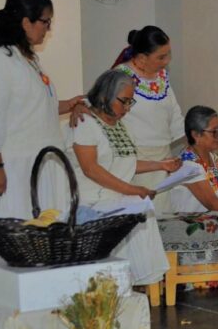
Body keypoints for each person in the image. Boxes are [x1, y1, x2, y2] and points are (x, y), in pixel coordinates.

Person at [0, 0, 86, 219]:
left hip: (37, 165)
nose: (48, 29)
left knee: (43, 232)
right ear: (26, 22)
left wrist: (70, 104)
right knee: (15, 233)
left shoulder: (28, 59)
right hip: (12, 168)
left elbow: (35, 108)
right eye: (45, 22)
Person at [69, 69, 180, 285]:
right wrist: (133, 190)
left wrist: (160, 164)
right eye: (124, 101)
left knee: (141, 208)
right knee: (136, 205)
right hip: (91, 203)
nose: (128, 108)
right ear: (105, 96)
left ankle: (134, 280)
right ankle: (122, 281)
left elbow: (126, 164)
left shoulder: (120, 125)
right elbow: (91, 169)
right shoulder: (84, 123)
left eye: (131, 102)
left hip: (113, 199)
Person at [112, 26, 185, 215]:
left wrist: (193, 140)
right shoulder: (121, 76)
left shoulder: (162, 76)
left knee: (163, 216)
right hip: (136, 161)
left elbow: (173, 112)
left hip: (164, 157)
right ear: (142, 58)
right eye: (161, 57)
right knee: (142, 217)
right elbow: (101, 109)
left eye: (168, 55)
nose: (167, 61)